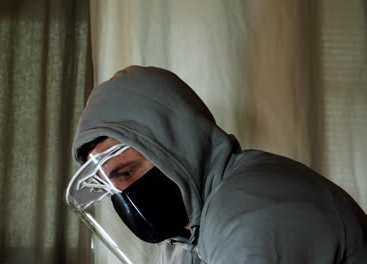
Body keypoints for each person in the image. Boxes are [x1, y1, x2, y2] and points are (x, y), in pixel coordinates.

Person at [66, 66, 367, 263]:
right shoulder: (183, 236)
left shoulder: (256, 208)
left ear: (177, 145)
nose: (123, 194)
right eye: (109, 185)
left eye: (127, 172)